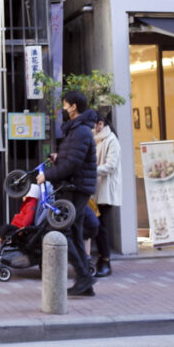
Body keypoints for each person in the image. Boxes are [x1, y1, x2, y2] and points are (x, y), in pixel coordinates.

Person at [38, 91, 99, 297]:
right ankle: (85, 282)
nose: (63, 108)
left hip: (76, 188)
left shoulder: (80, 131)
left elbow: (73, 164)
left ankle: (83, 276)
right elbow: (72, 158)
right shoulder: (77, 130)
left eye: (65, 104)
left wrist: (46, 175)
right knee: (74, 232)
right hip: (75, 187)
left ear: (74, 107)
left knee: (64, 230)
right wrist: (58, 157)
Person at [93, 112, 121, 277]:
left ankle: (105, 261)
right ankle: (101, 260)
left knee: (101, 225)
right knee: (96, 225)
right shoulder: (96, 139)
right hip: (95, 188)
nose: (91, 128)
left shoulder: (111, 141)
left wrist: (90, 171)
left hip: (105, 189)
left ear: (101, 124)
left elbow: (111, 166)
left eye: (93, 125)